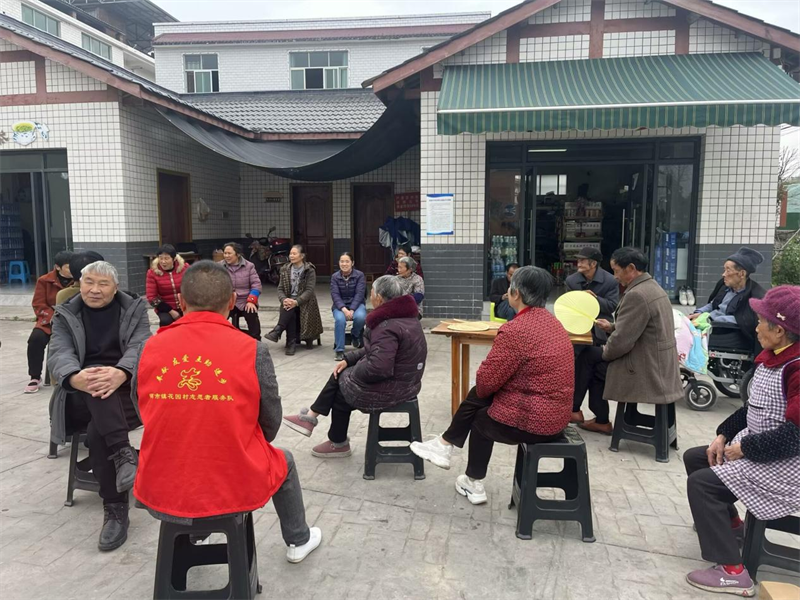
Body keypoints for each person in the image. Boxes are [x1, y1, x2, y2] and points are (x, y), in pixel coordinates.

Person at [132, 261, 322, 564]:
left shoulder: (148, 348)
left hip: (160, 483)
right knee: (282, 460)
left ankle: (195, 532)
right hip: (232, 482)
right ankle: (298, 539)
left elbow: (142, 409)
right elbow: (270, 422)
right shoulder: (252, 350)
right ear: (233, 301)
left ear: (181, 302)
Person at [410, 266, 573, 504]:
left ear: (515, 294)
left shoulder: (517, 330)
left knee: (481, 415)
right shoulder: (554, 325)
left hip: (535, 422)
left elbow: (486, 383)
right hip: (558, 417)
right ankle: (444, 445)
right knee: (481, 395)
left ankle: (471, 479)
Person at [683, 285, 800, 597]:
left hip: (786, 466)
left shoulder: (796, 368)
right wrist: (723, 435)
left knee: (702, 485)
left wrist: (745, 448)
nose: (756, 327)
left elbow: (796, 437)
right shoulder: (772, 358)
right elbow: (752, 409)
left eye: (761, 322)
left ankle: (733, 572)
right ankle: (732, 527)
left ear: (780, 330)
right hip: (764, 452)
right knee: (697, 458)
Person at [47, 261, 151, 551]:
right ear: (79, 284)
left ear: (115, 288)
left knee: (97, 433)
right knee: (95, 385)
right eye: (89, 282)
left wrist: (121, 372)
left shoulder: (134, 310)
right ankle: (123, 453)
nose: (94, 289)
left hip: (126, 393)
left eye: (103, 284)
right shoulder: (66, 313)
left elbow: (141, 346)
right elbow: (59, 352)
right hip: (79, 394)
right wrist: (75, 377)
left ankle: (115, 508)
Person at [281, 276, 426, 458]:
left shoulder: (387, 325)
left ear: (379, 297)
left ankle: (332, 438)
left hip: (395, 387)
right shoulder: (406, 317)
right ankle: (317, 423)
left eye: (371, 292)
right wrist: (349, 360)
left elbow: (379, 367)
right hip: (407, 382)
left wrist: (353, 373)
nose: (370, 296)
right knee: (342, 376)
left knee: (342, 384)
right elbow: (375, 350)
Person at [592, 248, 683, 435]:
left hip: (647, 368)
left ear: (631, 268)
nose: (615, 276)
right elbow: (641, 327)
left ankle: (599, 419)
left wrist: (606, 351)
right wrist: (612, 327)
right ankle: (598, 418)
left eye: (616, 270)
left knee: (590, 361)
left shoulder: (637, 295)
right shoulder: (652, 287)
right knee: (593, 358)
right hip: (660, 363)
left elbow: (621, 342)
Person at [565, 247, 619, 428]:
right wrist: (580, 299)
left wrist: (593, 299)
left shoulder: (610, 280)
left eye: (582, 260)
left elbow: (611, 306)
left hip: (600, 332)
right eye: (578, 259)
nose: (578, 263)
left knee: (594, 373)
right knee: (577, 371)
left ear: (593, 263)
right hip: (577, 332)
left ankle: (585, 413)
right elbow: (568, 306)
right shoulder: (572, 280)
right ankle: (591, 416)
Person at [690, 247, 766, 348]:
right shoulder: (724, 285)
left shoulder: (755, 296)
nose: (723, 274)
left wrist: (710, 318)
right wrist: (699, 313)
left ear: (742, 274)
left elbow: (745, 321)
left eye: (728, 270)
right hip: (711, 324)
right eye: (724, 270)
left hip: (729, 333)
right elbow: (713, 304)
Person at [24, 250, 73, 393]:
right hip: (49, 321)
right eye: (69, 267)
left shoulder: (79, 280)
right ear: (58, 267)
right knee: (35, 339)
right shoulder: (44, 281)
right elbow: (38, 304)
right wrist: (54, 317)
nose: (72, 270)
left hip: (72, 322)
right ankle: (34, 377)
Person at [265, 245, 324, 356]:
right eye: (290, 254)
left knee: (290, 308)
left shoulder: (309, 270)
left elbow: (309, 290)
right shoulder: (285, 269)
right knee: (289, 308)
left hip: (305, 302)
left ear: (302, 256)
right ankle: (289, 341)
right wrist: (284, 299)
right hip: (289, 300)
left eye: (294, 254)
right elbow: (280, 288)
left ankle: (281, 333)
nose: (291, 256)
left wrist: (297, 302)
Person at [220, 242, 262, 340]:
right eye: (225, 253)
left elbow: (256, 285)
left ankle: (256, 340)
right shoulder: (219, 267)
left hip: (245, 300)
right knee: (217, 318)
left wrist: (251, 301)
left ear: (237, 254)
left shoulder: (249, 266)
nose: (226, 256)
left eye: (229, 253)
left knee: (251, 313)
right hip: (227, 301)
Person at [330, 252, 367, 361]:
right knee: (340, 320)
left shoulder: (359, 275)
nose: (344, 264)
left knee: (361, 317)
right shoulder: (335, 277)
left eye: (347, 261)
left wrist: (352, 309)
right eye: (342, 261)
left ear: (352, 263)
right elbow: (335, 295)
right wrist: (344, 309)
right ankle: (339, 350)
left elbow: (360, 294)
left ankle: (355, 334)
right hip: (340, 306)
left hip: (356, 304)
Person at [145, 244, 186, 328]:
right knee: (165, 321)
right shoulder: (152, 273)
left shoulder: (185, 268)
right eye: (161, 258)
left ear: (174, 259)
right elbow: (152, 298)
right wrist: (171, 311)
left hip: (185, 305)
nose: (163, 262)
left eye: (166, 258)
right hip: (166, 308)